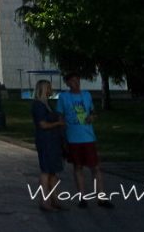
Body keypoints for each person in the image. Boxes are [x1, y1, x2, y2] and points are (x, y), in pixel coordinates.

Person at [56, 72, 113, 209]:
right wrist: (62, 136)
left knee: (95, 167)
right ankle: (82, 197)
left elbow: (92, 111)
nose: (76, 83)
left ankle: (101, 197)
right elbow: (60, 117)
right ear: (67, 83)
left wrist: (92, 117)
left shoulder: (86, 95)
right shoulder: (64, 97)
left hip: (88, 137)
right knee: (78, 167)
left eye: (78, 80)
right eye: (73, 81)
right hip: (73, 138)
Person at [31, 79, 66, 211]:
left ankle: (55, 199)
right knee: (46, 170)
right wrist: (58, 124)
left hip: (53, 140)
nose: (51, 89)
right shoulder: (38, 105)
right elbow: (42, 124)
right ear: (43, 89)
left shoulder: (47, 104)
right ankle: (45, 201)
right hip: (46, 141)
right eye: (48, 87)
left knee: (53, 171)